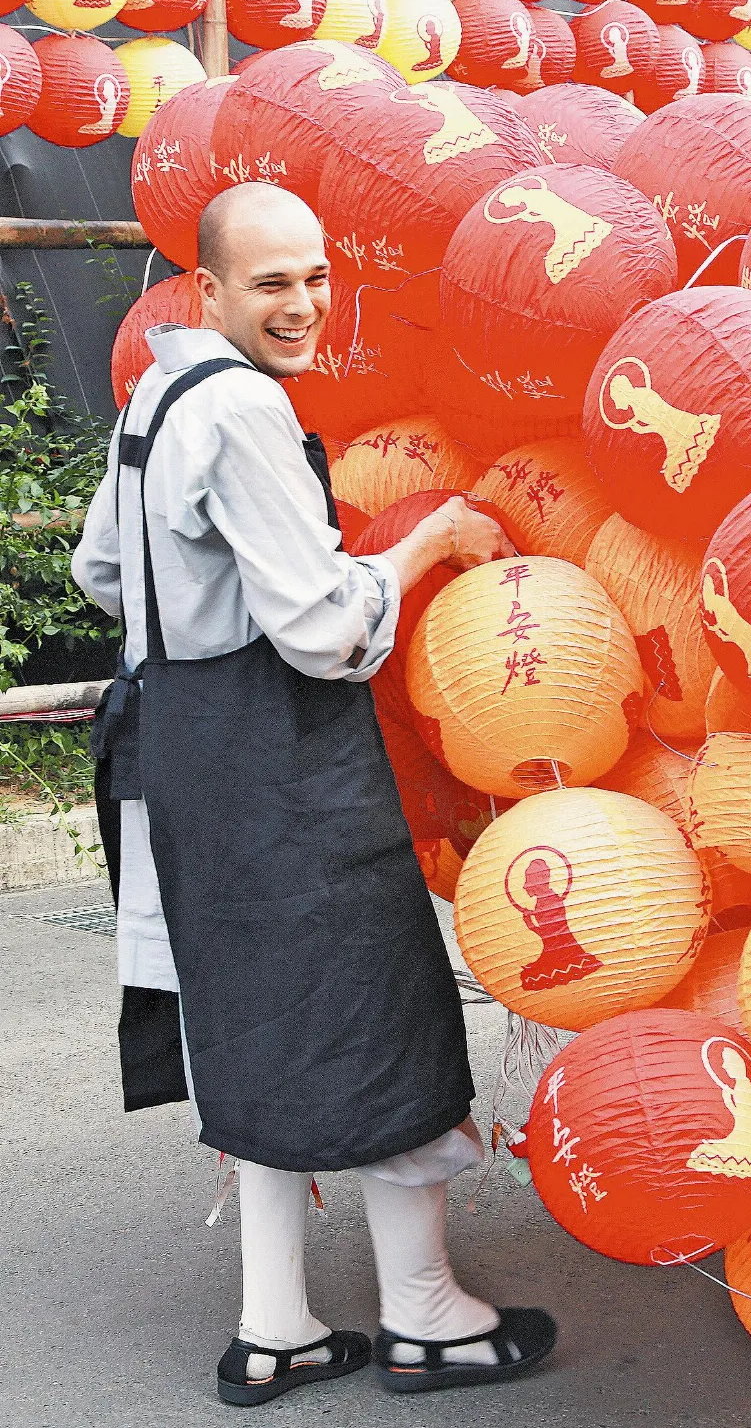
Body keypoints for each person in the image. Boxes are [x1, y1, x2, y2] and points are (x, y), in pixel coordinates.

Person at [72, 182, 557, 1407]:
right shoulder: (238, 408)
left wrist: (201, 614)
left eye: (316, 277)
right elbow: (326, 632)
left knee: (253, 1029)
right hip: (277, 765)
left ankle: (275, 1326)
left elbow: (99, 572)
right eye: (271, 281)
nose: (301, 304)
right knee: (380, 1017)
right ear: (210, 288)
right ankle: (426, 1314)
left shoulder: (157, 395)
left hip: (185, 757)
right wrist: (430, 540)